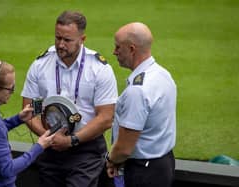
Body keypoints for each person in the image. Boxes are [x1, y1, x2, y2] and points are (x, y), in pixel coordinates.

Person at [21, 10, 118, 187]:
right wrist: (47, 137)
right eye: (58, 38)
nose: (61, 45)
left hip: (85, 149)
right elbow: (31, 109)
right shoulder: (40, 65)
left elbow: (105, 118)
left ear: (82, 39)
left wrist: (71, 140)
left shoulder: (99, 69)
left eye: (67, 40)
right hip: (49, 147)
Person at [106, 22, 177, 187]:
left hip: (142, 172)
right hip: (163, 164)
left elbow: (124, 148)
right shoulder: (163, 74)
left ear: (132, 49)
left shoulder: (137, 91)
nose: (114, 52)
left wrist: (110, 159)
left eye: (118, 47)